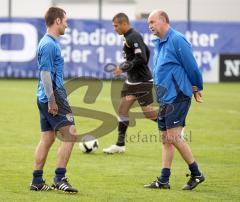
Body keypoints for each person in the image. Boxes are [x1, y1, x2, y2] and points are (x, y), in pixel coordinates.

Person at [144, 10, 205, 190]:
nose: (150, 26)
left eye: (153, 22)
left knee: (173, 136)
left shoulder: (177, 39)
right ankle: (164, 180)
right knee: (165, 139)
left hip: (178, 95)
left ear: (163, 21)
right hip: (165, 98)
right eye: (149, 23)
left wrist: (197, 87)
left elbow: (192, 66)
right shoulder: (159, 43)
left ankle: (197, 173)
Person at [30, 7, 78, 193]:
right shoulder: (49, 44)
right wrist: (52, 100)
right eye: (65, 20)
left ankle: (37, 180)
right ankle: (59, 178)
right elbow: (45, 74)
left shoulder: (47, 42)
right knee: (70, 134)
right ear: (57, 21)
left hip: (44, 96)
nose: (67, 23)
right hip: (53, 96)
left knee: (47, 138)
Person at [103, 13, 158, 154]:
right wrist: (126, 67)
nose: (114, 28)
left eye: (116, 26)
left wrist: (123, 67)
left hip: (142, 81)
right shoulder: (128, 37)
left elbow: (142, 58)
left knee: (149, 114)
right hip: (131, 81)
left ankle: (175, 126)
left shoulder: (133, 36)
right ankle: (120, 145)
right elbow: (146, 50)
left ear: (124, 24)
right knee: (122, 111)